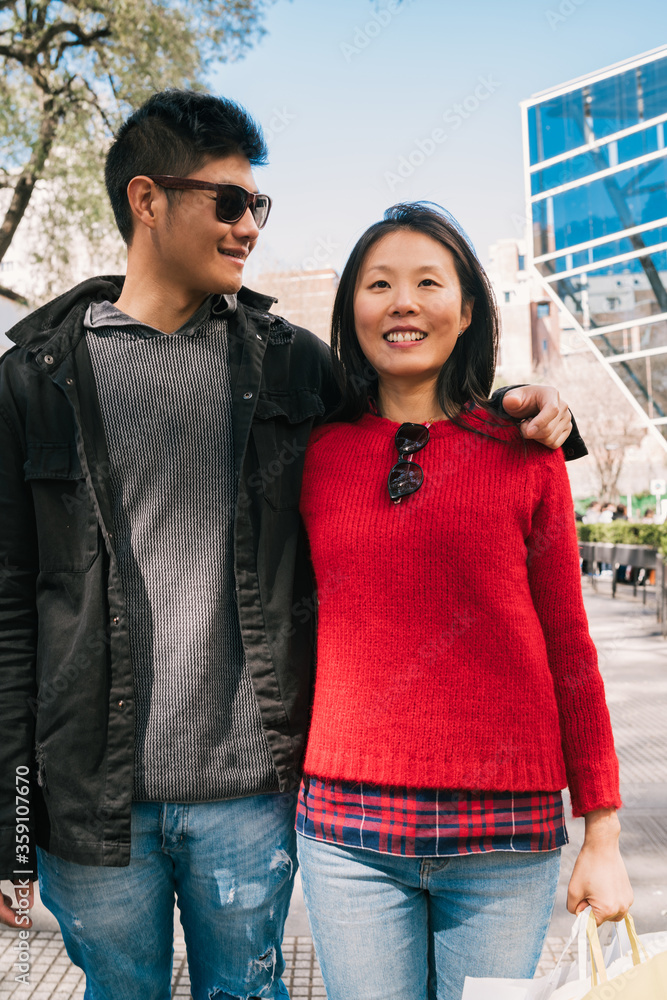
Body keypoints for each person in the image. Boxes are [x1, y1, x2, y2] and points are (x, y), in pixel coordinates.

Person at [0, 91, 582, 998]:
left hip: (251, 796)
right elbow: (11, 608)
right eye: (229, 203)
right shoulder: (33, 380)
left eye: (256, 207)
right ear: (147, 201)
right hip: (90, 802)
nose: (249, 228)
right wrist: (13, 822)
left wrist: (534, 409)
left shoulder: (289, 363)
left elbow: (414, 422)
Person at [294, 203, 633, 1000]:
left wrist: (604, 830)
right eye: (378, 284)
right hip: (347, 832)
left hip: (504, 837)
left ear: (468, 308)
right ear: (351, 310)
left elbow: (569, 647)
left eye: (426, 282)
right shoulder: (309, 453)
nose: (401, 302)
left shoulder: (528, 453)